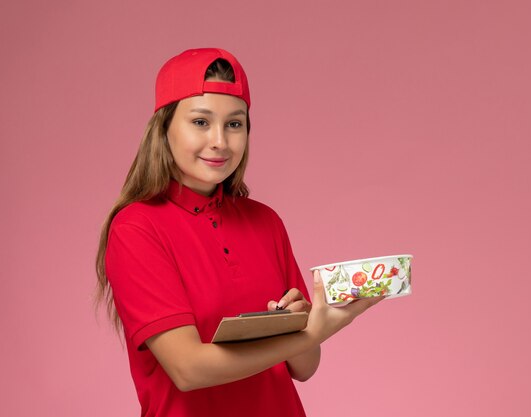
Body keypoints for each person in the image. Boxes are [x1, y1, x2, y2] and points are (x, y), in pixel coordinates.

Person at [95, 48, 380, 417]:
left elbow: (305, 368)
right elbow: (188, 369)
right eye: (200, 122)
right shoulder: (136, 228)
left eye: (234, 123)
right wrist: (313, 332)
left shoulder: (265, 222)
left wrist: (300, 323)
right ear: (163, 129)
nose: (220, 141)